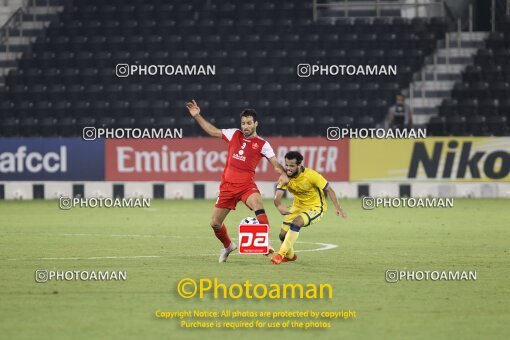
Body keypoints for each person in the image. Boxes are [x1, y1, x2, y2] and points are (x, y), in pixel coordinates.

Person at [185, 100, 288, 263]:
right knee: (215, 223)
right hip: (227, 187)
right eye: (243, 123)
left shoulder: (263, 144)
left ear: (256, 124)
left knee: (258, 205)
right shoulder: (234, 134)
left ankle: (265, 242)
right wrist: (197, 116)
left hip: (246, 186)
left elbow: (275, 164)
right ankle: (228, 246)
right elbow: (213, 131)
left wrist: (283, 173)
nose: (245, 126)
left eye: (248, 123)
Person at [272, 151, 347, 265]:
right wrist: (279, 206)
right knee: (282, 235)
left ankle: (280, 254)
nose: (288, 168)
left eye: (292, 166)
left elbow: (329, 190)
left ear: (299, 165)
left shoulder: (311, 175)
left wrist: (338, 207)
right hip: (297, 206)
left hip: (315, 207)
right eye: (286, 165)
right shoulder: (285, 176)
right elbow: (277, 197)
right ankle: (290, 256)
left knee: (297, 222)